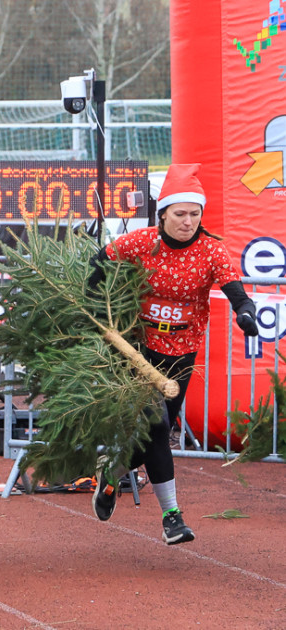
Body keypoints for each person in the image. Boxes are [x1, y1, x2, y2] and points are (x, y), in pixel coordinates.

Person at [87, 163, 256, 545]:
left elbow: (236, 290)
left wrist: (245, 313)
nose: (188, 221)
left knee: (153, 437)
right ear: (162, 214)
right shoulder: (142, 242)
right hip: (139, 352)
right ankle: (172, 518)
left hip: (181, 354)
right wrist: (95, 309)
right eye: (180, 214)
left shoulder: (211, 250)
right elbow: (99, 263)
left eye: (195, 214)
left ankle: (111, 474)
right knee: (159, 427)